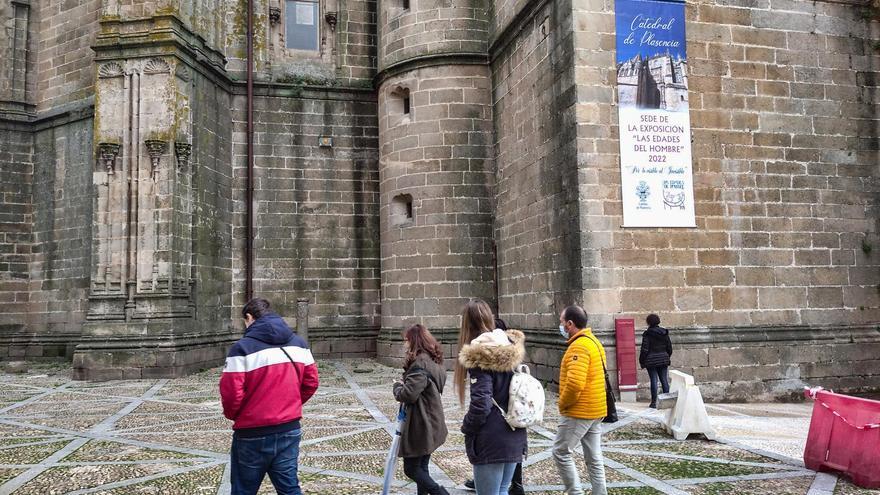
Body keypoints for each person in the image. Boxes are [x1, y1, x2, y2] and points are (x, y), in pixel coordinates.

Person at [220, 298, 320, 495]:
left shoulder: (242, 348)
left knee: (243, 489)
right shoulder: (300, 344)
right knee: (289, 488)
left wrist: (238, 415)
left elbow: (231, 393)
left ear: (249, 318)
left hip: (251, 432)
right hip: (289, 428)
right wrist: (291, 403)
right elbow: (311, 383)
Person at [456, 299, 528, 495]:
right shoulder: (509, 346)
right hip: (514, 430)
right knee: (502, 490)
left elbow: (481, 403)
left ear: (467, 324)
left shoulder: (480, 354)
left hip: (492, 438)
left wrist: (467, 427)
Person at [553, 305, 607, 495]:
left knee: (561, 452)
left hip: (580, 410)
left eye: (562, 322)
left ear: (570, 324)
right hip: (596, 408)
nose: (560, 326)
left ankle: (575, 492)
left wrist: (562, 403)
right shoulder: (593, 341)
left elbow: (575, 384)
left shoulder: (579, 346)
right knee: (594, 456)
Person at [393, 324, 450, 495]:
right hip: (432, 419)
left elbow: (408, 394)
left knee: (411, 469)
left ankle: (440, 493)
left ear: (413, 341)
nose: (405, 344)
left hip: (422, 423)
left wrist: (397, 387)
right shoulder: (434, 360)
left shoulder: (420, 364)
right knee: (422, 467)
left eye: (406, 340)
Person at [639, 313, 673, 408]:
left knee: (654, 380)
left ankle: (654, 402)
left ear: (648, 322)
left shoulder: (647, 334)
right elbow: (669, 348)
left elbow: (644, 349)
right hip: (663, 359)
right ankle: (667, 401)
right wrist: (666, 356)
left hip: (651, 360)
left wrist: (642, 361)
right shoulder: (664, 333)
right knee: (664, 380)